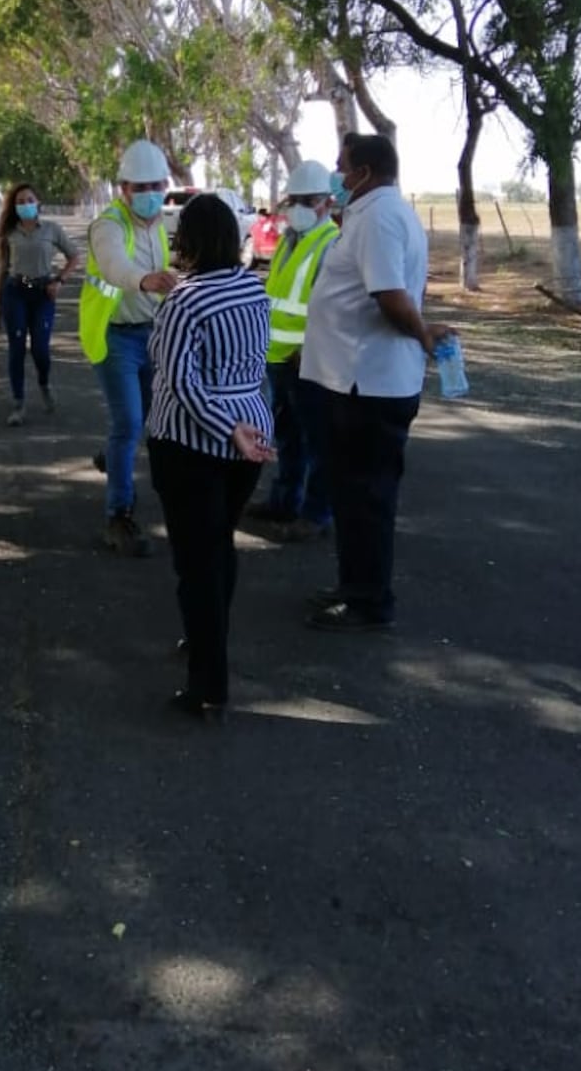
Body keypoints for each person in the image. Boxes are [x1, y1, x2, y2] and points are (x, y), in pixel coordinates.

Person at [300, 132, 449, 632]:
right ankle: (354, 585)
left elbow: (389, 296)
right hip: (352, 380)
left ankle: (368, 601)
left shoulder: (381, 216)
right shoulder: (368, 213)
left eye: (343, 169)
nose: (338, 179)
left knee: (367, 499)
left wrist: (425, 333)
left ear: (363, 172)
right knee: (352, 495)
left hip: (368, 385)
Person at [148, 194, 276, 716]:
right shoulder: (254, 289)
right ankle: (206, 637)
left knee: (196, 561)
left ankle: (207, 683)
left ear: (190, 241)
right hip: (251, 432)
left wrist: (228, 429)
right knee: (218, 544)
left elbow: (180, 380)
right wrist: (243, 429)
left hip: (191, 445)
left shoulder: (186, 300)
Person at [78, 139, 178, 556]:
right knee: (129, 423)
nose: (150, 193)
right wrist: (143, 280)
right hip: (116, 336)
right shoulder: (108, 225)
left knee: (153, 419)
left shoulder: (160, 225)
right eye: (140, 187)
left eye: (156, 185)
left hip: (153, 335)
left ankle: (114, 456)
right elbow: (115, 264)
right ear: (123, 189)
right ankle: (118, 515)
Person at [245, 160, 339, 543]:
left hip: (307, 358)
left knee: (317, 439)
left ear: (327, 203)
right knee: (286, 436)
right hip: (276, 355)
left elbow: (331, 306)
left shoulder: (332, 243)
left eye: (308, 200)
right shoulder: (289, 240)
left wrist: (311, 346)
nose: (299, 207)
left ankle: (316, 513)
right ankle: (285, 500)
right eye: (294, 199)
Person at [0, 182, 79, 426]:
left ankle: (44, 382)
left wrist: (59, 281)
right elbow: (2, 271)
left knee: (41, 348)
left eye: (29, 200)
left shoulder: (51, 229)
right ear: (14, 207)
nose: (25, 205)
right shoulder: (9, 234)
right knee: (16, 348)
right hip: (15, 293)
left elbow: (74, 256)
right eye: (20, 202)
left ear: (38, 202)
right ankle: (18, 403)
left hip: (43, 294)